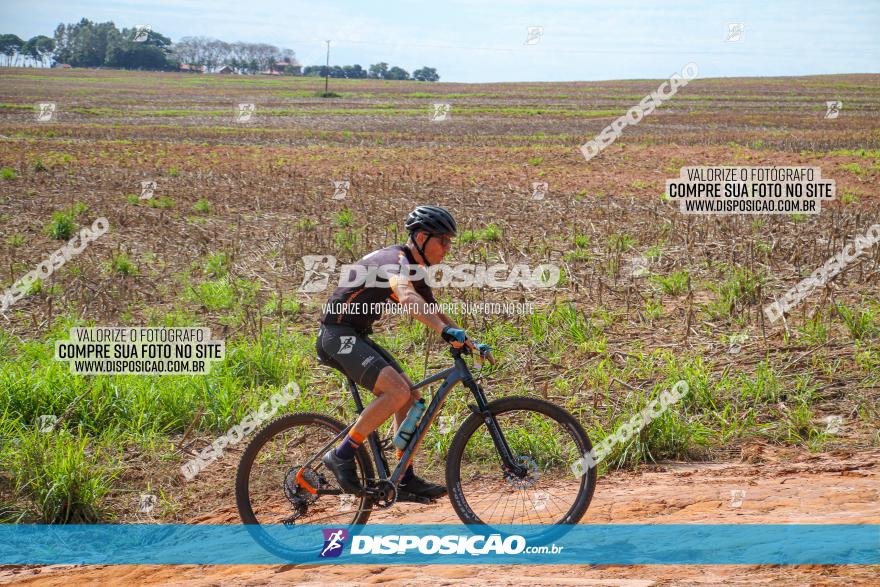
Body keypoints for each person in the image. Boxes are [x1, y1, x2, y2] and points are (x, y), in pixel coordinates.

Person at [316, 205, 495, 501]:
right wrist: (443, 332)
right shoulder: (394, 261)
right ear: (423, 237)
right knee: (397, 392)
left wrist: (469, 341)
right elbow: (408, 298)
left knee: (410, 398)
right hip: (336, 336)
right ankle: (341, 454)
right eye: (444, 241)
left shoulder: (413, 266)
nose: (447, 249)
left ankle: (402, 477)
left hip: (354, 334)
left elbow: (433, 309)